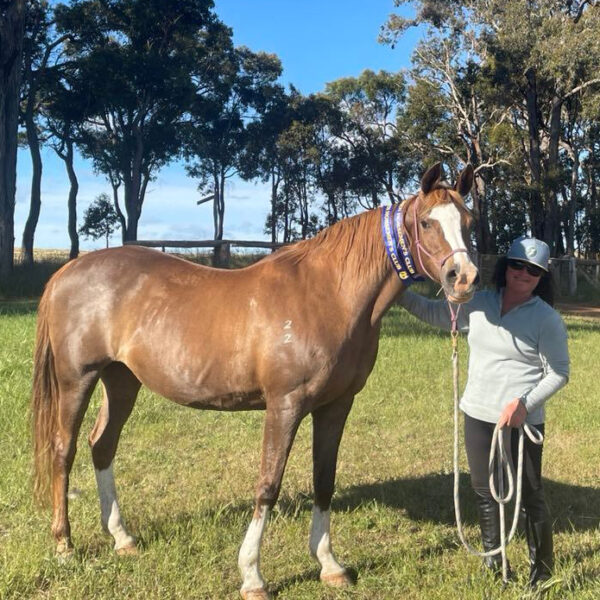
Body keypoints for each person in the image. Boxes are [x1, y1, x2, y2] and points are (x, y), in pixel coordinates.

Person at [398, 236, 569, 587]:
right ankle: (495, 562)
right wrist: (395, 290)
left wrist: (525, 404)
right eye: (518, 265)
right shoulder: (478, 304)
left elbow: (559, 372)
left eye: (533, 270)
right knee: (484, 491)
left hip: (519, 421)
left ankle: (542, 571)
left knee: (529, 496)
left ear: (541, 277)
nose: (524, 273)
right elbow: (433, 312)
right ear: (506, 267)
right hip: (477, 411)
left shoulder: (546, 319)